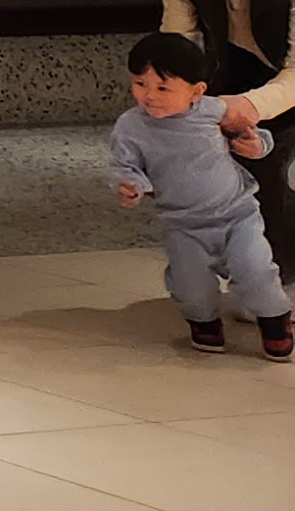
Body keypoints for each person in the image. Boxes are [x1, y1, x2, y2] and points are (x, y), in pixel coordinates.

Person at [154, 0, 295, 281]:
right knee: (237, 159)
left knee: (272, 158)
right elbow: (175, 51)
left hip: (278, 83)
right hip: (250, 78)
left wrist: (248, 106)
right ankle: (264, 272)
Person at [110, 33, 290, 358]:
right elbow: (125, 165)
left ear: (196, 91)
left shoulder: (214, 111)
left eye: (163, 88)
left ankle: (275, 320)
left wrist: (255, 145)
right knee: (190, 283)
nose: (149, 95)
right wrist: (130, 185)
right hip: (182, 223)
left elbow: (253, 135)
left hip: (237, 215)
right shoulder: (131, 127)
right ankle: (204, 322)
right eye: (140, 84)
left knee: (255, 269)